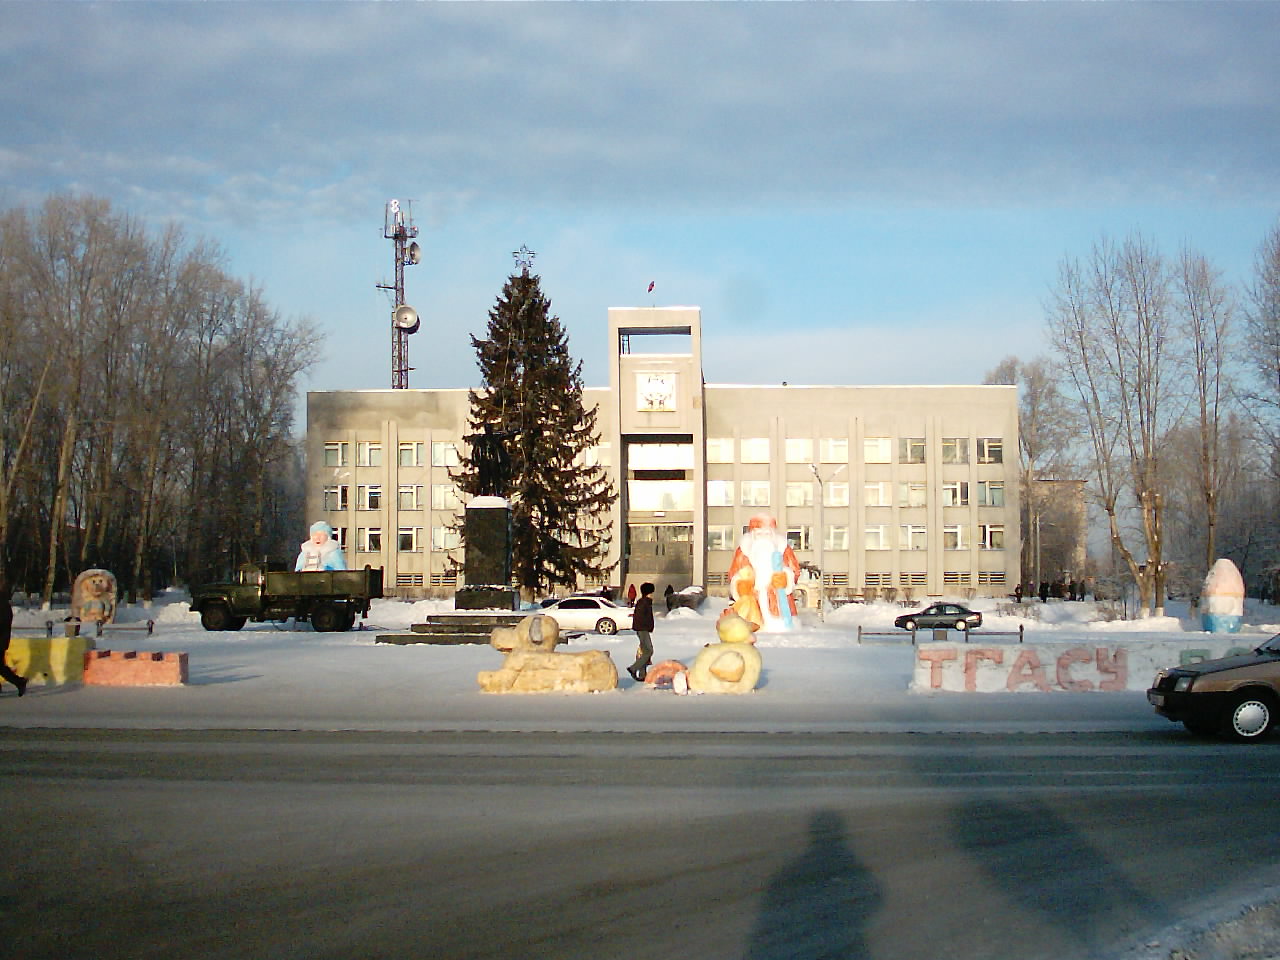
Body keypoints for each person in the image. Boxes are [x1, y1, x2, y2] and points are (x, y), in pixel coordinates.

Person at [1, 589, 28, 697]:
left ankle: (19, 682)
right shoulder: (4, 606)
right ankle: (19, 682)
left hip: (1, 640)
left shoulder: (2, 607)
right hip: (2, 640)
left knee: (0, 667)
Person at [628, 582, 656, 682]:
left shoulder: (645, 601)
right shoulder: (644, 602)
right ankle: (633, 668)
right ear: (649, 592)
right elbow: (639, 617)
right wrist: (645, 627)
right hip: (642, 630)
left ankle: (642, 674)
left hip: (644, 629)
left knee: (644, 651)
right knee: (649, 651)